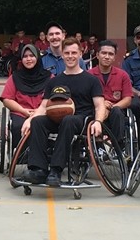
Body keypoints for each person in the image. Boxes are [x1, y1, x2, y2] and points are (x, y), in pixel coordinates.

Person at [21, 37, 105, 186]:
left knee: (68, 120)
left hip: (81, 119)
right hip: (57, 117)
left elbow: (99, 105)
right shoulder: (54, 81)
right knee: (38, 121)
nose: (70, 56)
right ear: (62, 54)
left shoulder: (91, 80)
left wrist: (98, 122)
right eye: (67, 53)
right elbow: (43, 106)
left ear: (80, 53)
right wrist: (29, 119)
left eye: (74, 52)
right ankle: (38, 169)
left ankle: (56, 170)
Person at [0, 44, 51, 150]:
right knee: (17, 126)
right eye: (25, 56)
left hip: (43, 112)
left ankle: (42, 152)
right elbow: (7, 99)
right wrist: (24, 111)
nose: (28, 59)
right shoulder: (15, 77)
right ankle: (22, 154)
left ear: (37, 57)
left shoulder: (49, 77)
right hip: (20, 112)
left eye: (32, 56)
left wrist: (38, 112)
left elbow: (52, 100)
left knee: (42, 125)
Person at [87, 40, 131, 147]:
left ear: (115, 57)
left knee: (117, 111)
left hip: (115, 113)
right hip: (94, 111)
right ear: (97, 55)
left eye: (110, 54)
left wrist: (110, 107)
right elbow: (85, 98)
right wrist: (102, 105)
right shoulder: (88, 75)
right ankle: (97, 147)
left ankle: (117, 148)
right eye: (104, 53)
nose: (107, 57)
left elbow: (128, 99)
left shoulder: (122, 75)